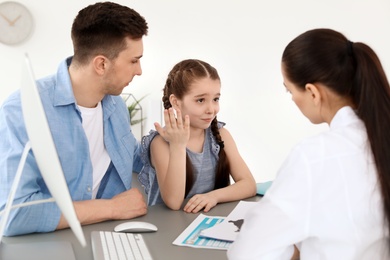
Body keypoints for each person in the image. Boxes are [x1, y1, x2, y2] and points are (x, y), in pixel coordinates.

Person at [227, 28, 390, 259]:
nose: (292, 99)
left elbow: (249, 253)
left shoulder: (317, 156)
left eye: (289, 90)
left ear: (313, 93)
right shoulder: (377, 139)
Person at [0, 2, 149, 236]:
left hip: (110, 235)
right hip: (49, 245)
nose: (139, 70)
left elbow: (137, 158)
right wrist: (111, 208)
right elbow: (14, 214)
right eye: (134, 60)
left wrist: (179, 137)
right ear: (101, 64)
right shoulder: (22, 110)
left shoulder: (115, 106)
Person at [138, 59, 256, 213]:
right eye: (200, 100)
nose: (211, 109)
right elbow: (174, 202)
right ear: (176, 102)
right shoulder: (160, 143)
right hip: (169, 228)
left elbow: (249, 185)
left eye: (215, 99)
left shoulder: (221, 135)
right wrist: (178, 146)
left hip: (207, 222)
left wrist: (213, 197)